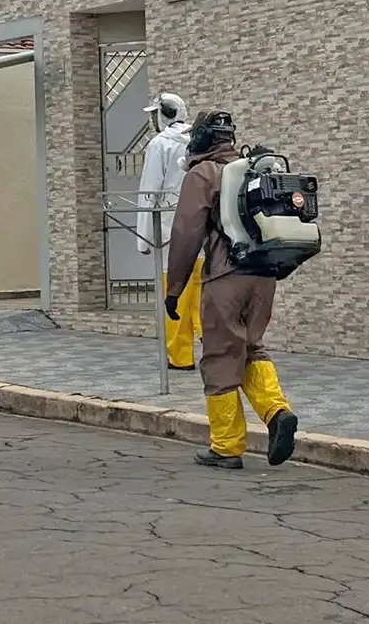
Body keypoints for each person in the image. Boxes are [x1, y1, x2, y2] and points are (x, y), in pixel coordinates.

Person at [164, 110, 299, 470]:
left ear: (203, 139)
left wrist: (174, 288)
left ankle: (225, 445)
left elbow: (186, 233)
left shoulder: (203, 173)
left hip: (226, 277)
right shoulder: (252, 170)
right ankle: (276, 411)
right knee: (251, 347)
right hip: (264, 275)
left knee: (221, 356)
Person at [137, 92, 203, 371]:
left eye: (155, 114)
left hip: (169, 232)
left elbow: (149, 191)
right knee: (202, 297)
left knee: (175, 297)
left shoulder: (160, 145)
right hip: (200, 231)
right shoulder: (198, 141)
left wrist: (143, 238)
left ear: (164, 113)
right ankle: (215, 349)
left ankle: (180, 356)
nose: (153, 120)